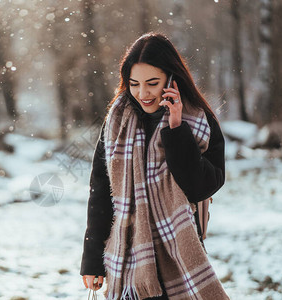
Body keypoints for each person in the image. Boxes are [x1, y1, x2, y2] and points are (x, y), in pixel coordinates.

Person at [80, 32, 230, 300]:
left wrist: (176, 129)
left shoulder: (198, 120)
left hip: (179, 253)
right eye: (134, 84)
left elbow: (201, 187)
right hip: (129, 259)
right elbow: (101, 191)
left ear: (172, 80)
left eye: (152, 83)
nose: (143, 93)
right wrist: (92, 261)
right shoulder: (116, 122)